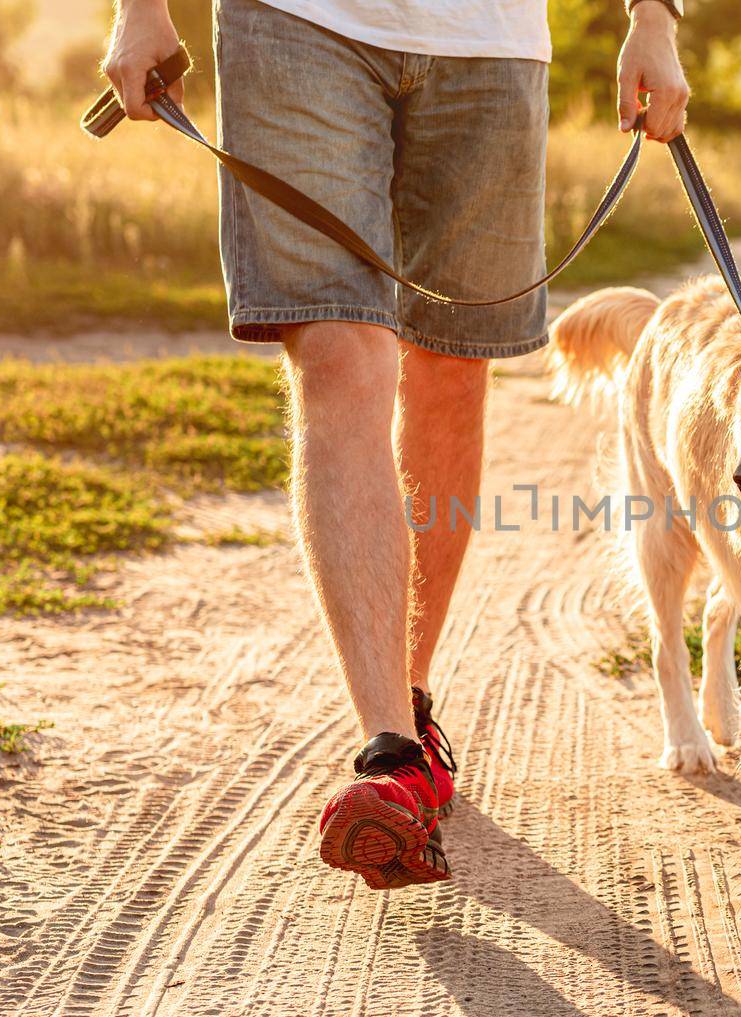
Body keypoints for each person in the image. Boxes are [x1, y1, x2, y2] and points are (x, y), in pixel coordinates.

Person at [103, 0, 690, 888]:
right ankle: (389, 750)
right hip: (296, 27)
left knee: (453, 368)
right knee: (339, 356)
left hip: (489, 46)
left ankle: (408, 716)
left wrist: (654, 17)